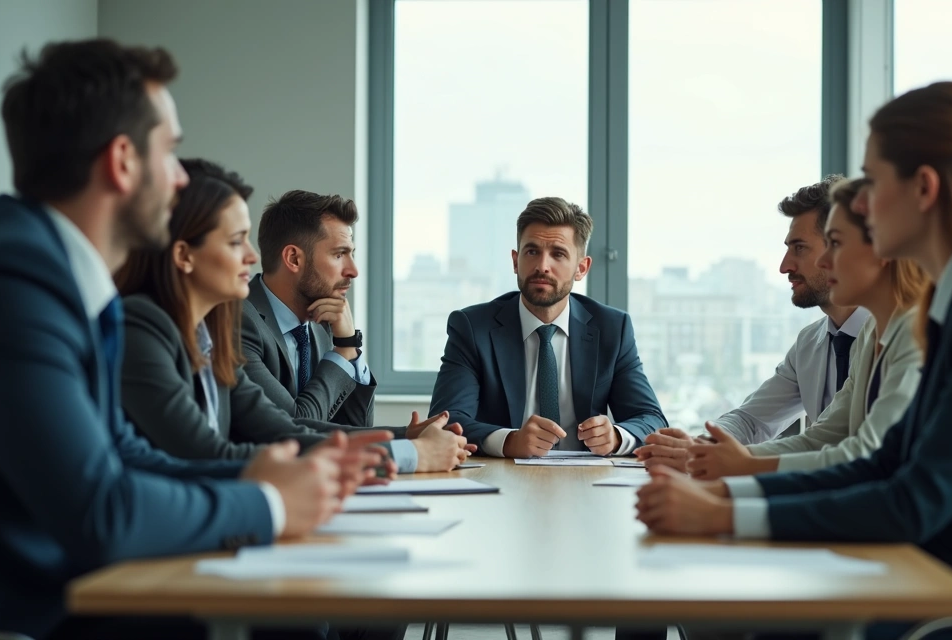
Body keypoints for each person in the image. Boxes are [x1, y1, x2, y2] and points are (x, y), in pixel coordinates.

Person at [636, 81, 952, 637]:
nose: (862, 204)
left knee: (767, 621)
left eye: (872, 180)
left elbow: (914, 499)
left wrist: (722, 513)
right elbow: (883, 464)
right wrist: (724, 491)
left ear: (924, 188)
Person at [0, 39, 363, 638]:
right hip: (6, 615)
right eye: (171, 152)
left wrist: (265, 478)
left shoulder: (59, 272)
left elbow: (126, 454)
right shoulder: (9, 283)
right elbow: (101, 510)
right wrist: (270, 503)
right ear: (123, 161)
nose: (181, 180)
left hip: (61, 591)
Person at [115, 159, 406, 473]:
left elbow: (287, 431)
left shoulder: (210, 333)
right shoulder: (146, 326)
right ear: (184, 255)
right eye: (236, 241)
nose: (252, 256)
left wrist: (408, 440)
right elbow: (207, 452)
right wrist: (403, 454)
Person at [686, 177, 927, 479]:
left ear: (882, 249)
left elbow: (865, 455)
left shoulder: (916, 333)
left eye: (835, 244)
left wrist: (735, 476)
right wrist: (707, 454)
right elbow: (817, 439)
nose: (785, 266)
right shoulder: (868, 336)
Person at [635, 176, 870, 470]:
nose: (784, 266)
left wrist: (726, 462)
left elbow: (854, 452)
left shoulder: (894, 336)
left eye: (799, 248)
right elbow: (753, 420)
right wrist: (701, 448)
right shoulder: (810, 343)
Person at [244, 190, 474, 473]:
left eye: (351, 254)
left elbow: (353, 426)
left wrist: (408, 435)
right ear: (293, 259)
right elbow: (292, 428)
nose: (353, 270)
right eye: (339, 254)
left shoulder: (320, 324)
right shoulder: (239, 322)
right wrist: (343, 349)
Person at [430, 197, 667, 458]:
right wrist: (509, 441)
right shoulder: (473, 328)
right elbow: (445, 421)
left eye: (558, 254)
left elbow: (651, 419)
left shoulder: (612, 328)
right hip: (502, 474)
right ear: (515, 261)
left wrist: (616, 437)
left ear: (581, 268)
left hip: (587, 477)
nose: (542, 266)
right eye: (532, 252)